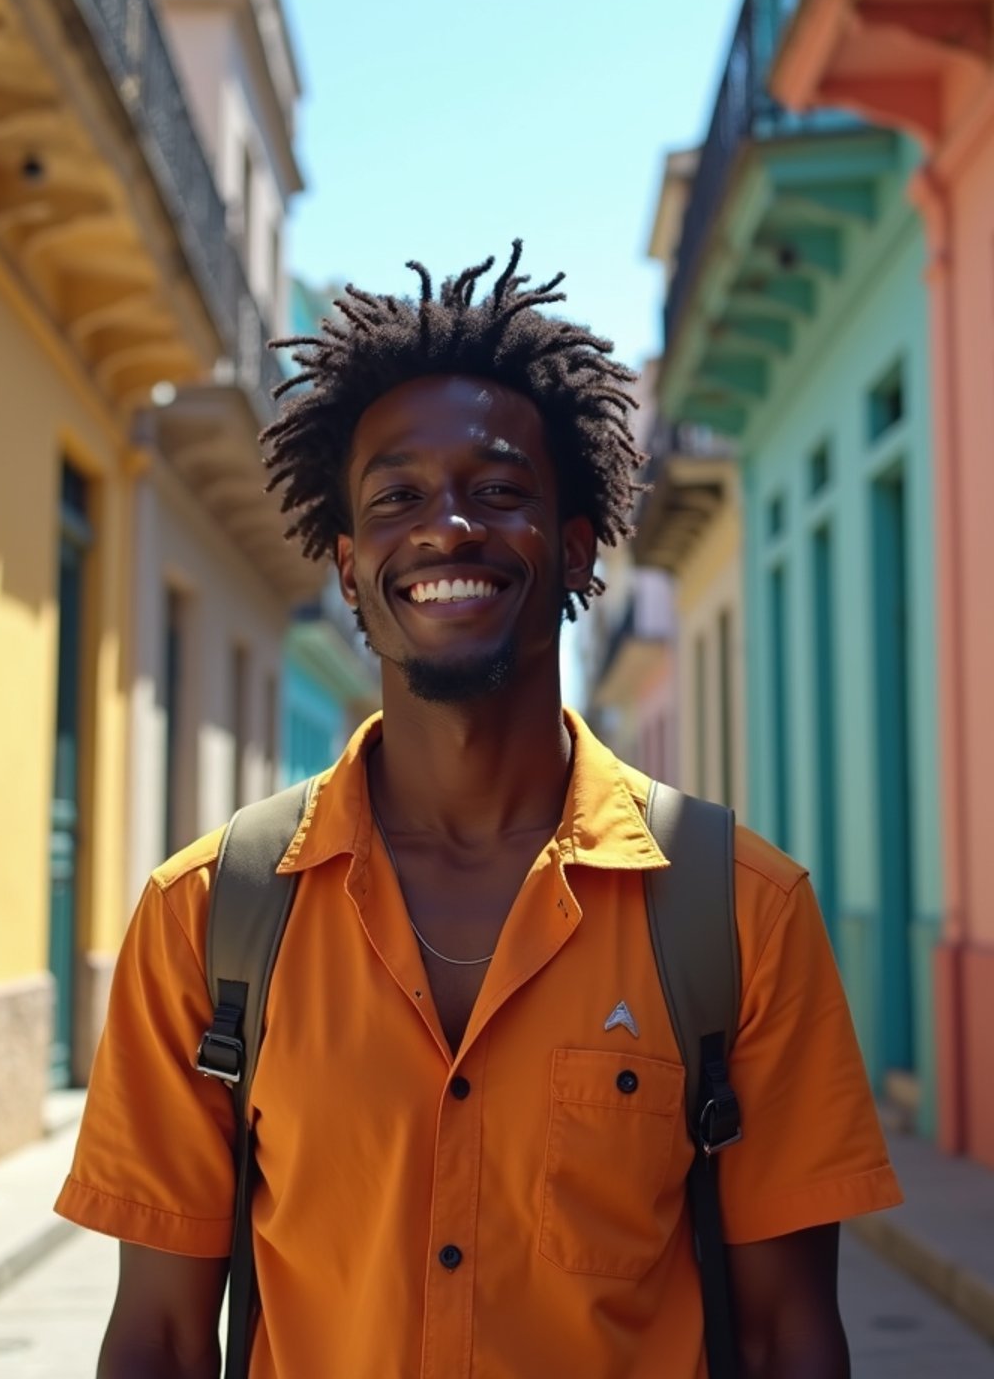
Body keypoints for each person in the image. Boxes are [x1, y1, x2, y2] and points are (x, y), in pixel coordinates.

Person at [57, 242, 901, 1379]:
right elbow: (157, 1337)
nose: (446, 526)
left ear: (572, 547)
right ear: (350, 569)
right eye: (398, 496)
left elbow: (787, 1334)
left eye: (498, 490)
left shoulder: (739, 915)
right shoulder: (210, 919)